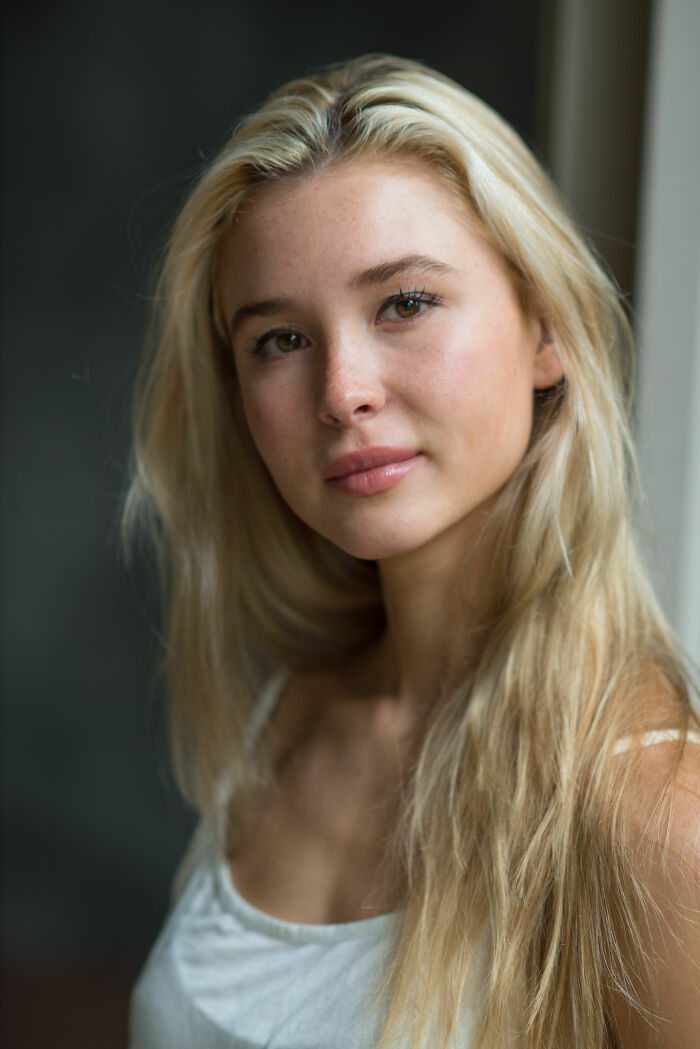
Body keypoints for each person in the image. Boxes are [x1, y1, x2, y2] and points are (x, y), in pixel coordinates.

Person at [125, 54, 700, 1049]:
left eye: (404, 303)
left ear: (546, 329)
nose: (343, 391)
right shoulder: (286, 710)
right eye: (279, 340)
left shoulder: (653, 819)